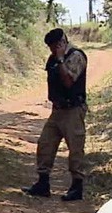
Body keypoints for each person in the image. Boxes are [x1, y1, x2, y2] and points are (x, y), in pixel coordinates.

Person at [22, 28, 88, 201]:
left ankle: (77, 187)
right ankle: (43, 183)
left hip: (73, 110)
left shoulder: (76, 56)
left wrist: (60, 59)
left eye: (54, 46)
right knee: (45, 144)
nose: (52, 50)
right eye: (50, 48)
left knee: (75, 148)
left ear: (62, 43)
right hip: (58, 110)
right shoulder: (53, 59)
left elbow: (68, 81)